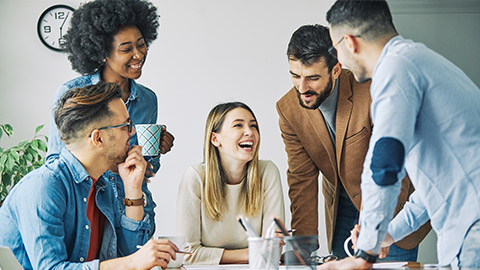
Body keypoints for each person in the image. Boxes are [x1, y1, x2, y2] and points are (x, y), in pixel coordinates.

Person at [319, 1, 480, 269]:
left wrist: (365, 252)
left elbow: (384, 165)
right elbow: (434, 188)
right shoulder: (418, 61)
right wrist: (385, 235)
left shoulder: (395, 70)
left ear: (349, 42)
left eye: (334, 49)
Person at [276, 24, 430, 261]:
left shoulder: (372, 90)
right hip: (342, 206)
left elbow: (393, 163)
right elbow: (301, 178)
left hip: (389, 200)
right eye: (295, 76)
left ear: (336, 70)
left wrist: (377, 228)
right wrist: (301, 247)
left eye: (312, 78)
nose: (302, 88)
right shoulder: (288, 110)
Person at [0, 82, 179, 269]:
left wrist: (133, 188)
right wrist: (133, 262)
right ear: (98, 138)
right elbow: (51, 268)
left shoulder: (102, 186)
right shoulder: (44, 186)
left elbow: (128, 256)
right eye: (126, 125)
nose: (132, 132)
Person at [46, 0, 175, 237]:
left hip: (132, 207)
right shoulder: (72, 94)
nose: (138, 54)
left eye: (141, 44)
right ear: (103, 52)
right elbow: (55, 162)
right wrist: (110, 163)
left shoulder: (147, 99)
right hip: (87, 209)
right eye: (126, 49)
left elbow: (148, 169)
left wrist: (156, 151)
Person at [177, 102, 285, 264]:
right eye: (238, 125)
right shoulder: (195, 177)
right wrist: (251, 253)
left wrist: (263, 250)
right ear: (215, 139)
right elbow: (186, 253)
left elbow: (272, 249)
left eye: (253, 126)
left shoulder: (267, 172)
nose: (249, 132)